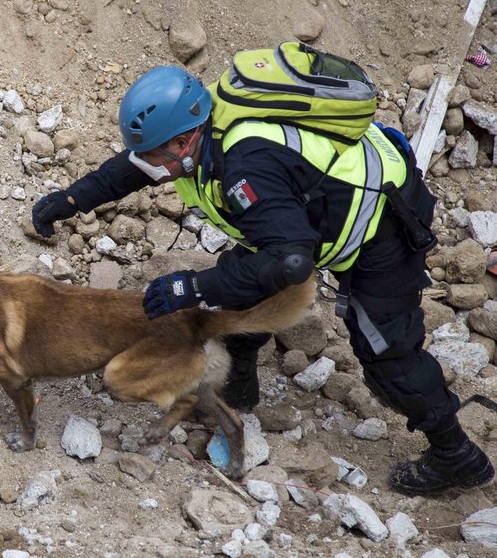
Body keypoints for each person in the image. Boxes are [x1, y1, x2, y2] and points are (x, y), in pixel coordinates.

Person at [30, 64, 494, 496]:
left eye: (155, 156)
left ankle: (456, 456)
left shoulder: (245, 165)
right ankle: (242, 386)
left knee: (386, 354)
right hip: (302, 218)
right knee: (239, 293)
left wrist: (190, 287)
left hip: (377, 228)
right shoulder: (200, 130)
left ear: (181, 142)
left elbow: (290, 263)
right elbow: (130, 169)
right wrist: (70, 201)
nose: (149, 167)